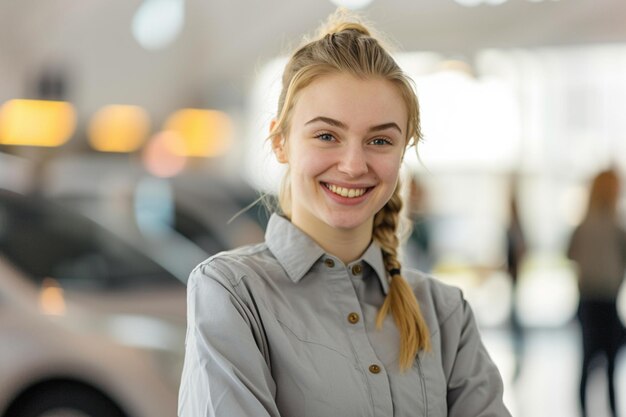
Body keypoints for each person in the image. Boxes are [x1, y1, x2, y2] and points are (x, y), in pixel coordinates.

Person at [178, 10, 511, 417]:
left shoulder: (445, 313)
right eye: (326, 135)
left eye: (379, 140)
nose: (354, 165)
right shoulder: (233, 293)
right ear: (280, 142)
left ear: (403, 150)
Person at [567, 168, 626, 417]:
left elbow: (571, 254)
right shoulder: (614, 228)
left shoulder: (584, 225)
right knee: (608, 365)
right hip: (601, 301)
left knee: (588, 364)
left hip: (591, 301)